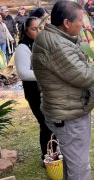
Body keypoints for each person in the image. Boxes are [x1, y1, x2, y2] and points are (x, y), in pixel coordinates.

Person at [31, 0, 94, 180]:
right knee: (79, 168)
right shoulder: (57, 44)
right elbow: (85, 76)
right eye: (80, 20)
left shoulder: (56, 38)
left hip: (66, 110)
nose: (83, 25)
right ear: (67, 23)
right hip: (68, 116)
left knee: (72, 162)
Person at [14, 17, 53, 163]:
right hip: (35, 92)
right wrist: (48, 74)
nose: (38, 31)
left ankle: (55, 154)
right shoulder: (23, 48)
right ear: (26, 30)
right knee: (45, 123)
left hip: (49, 90)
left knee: (53, 123)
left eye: (40, 28)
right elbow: (23, 73)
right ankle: (48, 157)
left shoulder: (45, 44)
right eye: (34, 29)